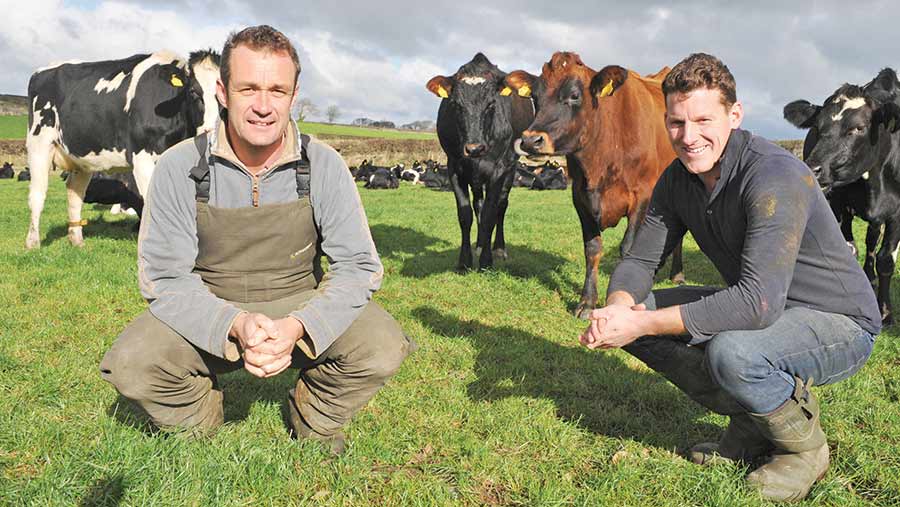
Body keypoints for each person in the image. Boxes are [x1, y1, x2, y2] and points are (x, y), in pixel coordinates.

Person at [579, 53, 880, 502]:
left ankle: (805, 451)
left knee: (733, 352)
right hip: (767, 306)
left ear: (734, 115)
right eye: (677, 123)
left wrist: (641, 322)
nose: (689, 136)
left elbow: (755, 303)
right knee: (642, 316)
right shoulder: (677, 180)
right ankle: (754, 422)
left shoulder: (773, 174)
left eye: (703, 119)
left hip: (840, 322)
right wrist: (620, 308)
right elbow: (641, 259)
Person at [100, 25, 413, 455]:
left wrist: (300, 325)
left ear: (293, 95)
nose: (264, 107)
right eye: (249, 89)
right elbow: (164, 278)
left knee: (382, 345)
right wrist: (234, 324)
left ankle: (314, 416)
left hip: (298, 303)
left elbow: (358, 267)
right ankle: (198, 420)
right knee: (132, 365)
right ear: (223, 92)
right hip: (208, 305)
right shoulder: (179, 167)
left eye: (277, 91)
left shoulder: (322, 165)